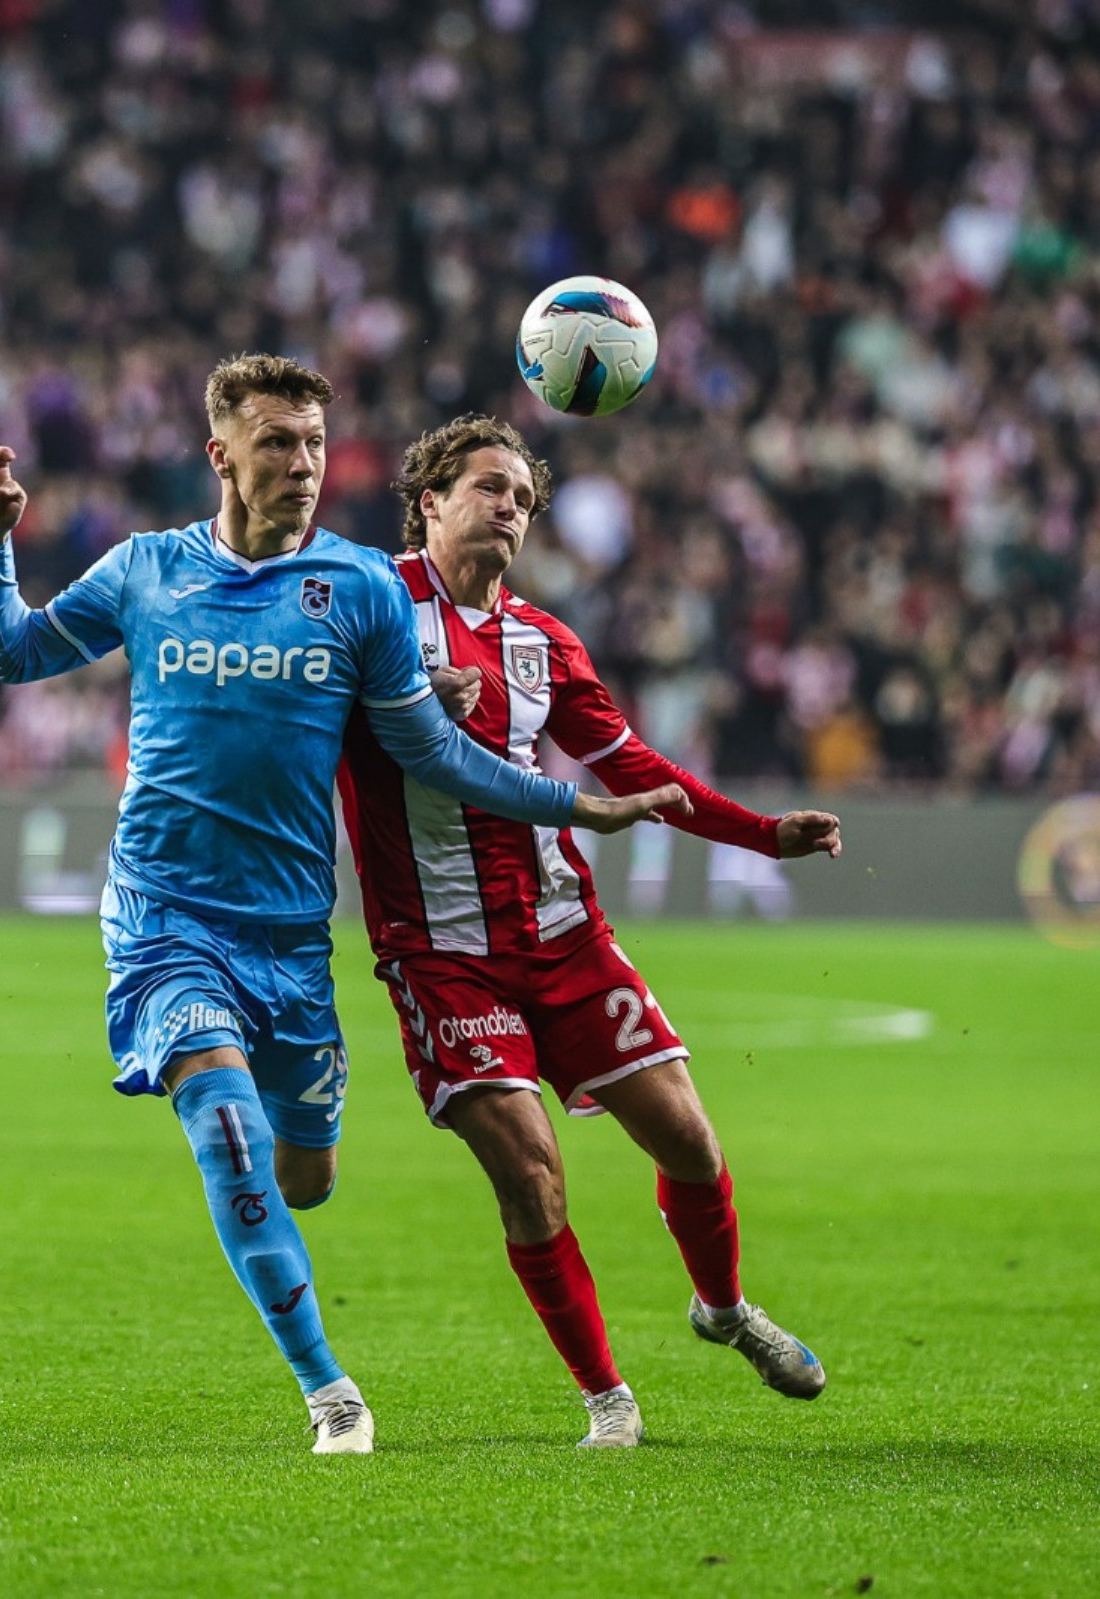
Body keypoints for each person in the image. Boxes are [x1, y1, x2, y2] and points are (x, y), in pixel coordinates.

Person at [0, 354, 683, 1456]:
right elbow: (10, 653)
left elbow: (431, 750)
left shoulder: (360, 588)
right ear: (220, 453)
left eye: (314, 443)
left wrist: (573, 802)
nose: (302, 462)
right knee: (229, 1135)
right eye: (277, 442)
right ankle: (331, 1393)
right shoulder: (147, 570)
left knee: (306, 1173)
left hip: (290, 940)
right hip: (164, 920)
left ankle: (296, 1180)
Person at [336, 415, 844, 1448]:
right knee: (530, 1173)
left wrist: (762, 834)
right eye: (489, 488)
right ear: (429, 501)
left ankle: (723, 1310)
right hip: (442, 950)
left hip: (562, 929)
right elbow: (296, 717)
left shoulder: (544, 642)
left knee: (690, 1140)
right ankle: (608, 1398)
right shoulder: (366, 605)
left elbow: (632, 767)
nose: (509, 509)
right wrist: (399, 703)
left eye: (523, 498)